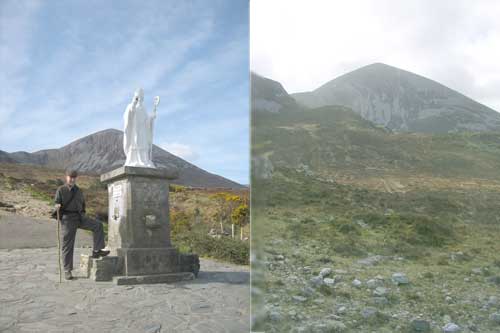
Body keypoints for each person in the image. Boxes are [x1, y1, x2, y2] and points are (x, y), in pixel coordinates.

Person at [54, 169, 110, 280]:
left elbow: (83, 204)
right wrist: (57, 206)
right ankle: (67, 270)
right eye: (70, 177)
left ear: (76, 178)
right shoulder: (61, 190)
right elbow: (56, 202)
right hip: (68, 219)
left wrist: (83, 213)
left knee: (98, 225)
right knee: (67, 245)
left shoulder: (78, 190)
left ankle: (96, 251)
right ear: (66, 177)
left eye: (74, 177)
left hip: (80, 217)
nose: (72, 179)